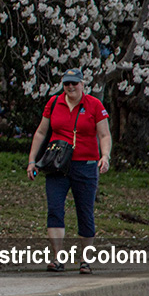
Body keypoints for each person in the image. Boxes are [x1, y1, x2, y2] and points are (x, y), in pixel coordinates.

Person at [27, 68, 112, 274]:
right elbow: (41, 132)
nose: (71, 87)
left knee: (85, 211)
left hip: (85, 165)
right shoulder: (54, 103)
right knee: (55, 209)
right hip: (57, 164)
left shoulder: (94, 105)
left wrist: (105, 156)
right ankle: (57, 258)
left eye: (74, 83)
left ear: (83, 84)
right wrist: (32, 160)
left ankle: (85, 260)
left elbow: (104, 135)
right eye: (67, 83)